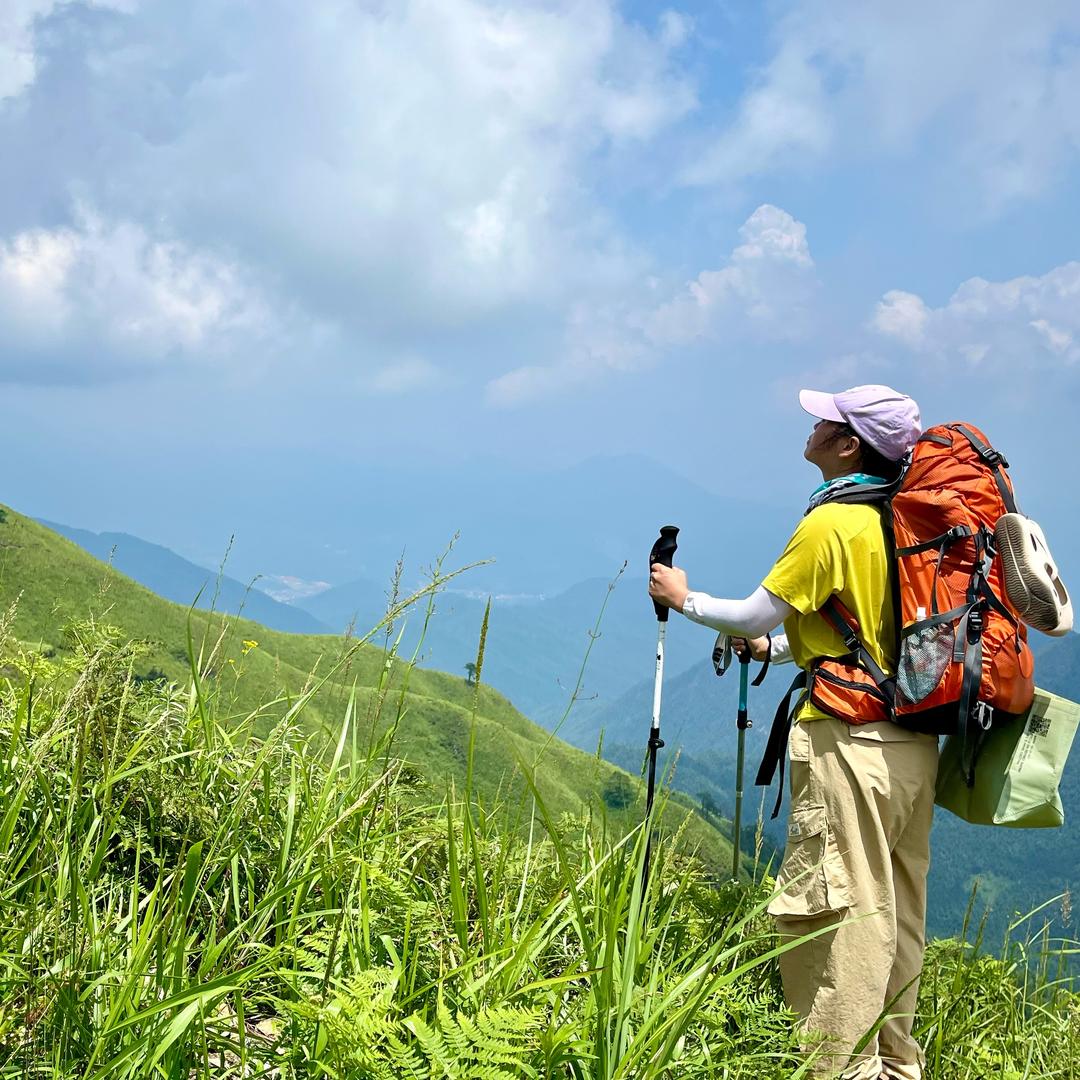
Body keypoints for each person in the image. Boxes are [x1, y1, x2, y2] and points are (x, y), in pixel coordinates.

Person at [649, 385, 937, 1080]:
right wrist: (781, 652)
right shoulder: (908, 518)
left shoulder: (831, 524)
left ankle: (842, 1071)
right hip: (915, 742)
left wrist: (680, 598)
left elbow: (752, 614)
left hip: (848, 740)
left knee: (839, 912)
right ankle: (896, 1066)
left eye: (827, 420)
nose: (812, 426)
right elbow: (874, 630)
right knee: (895, 907)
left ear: (848, 445)